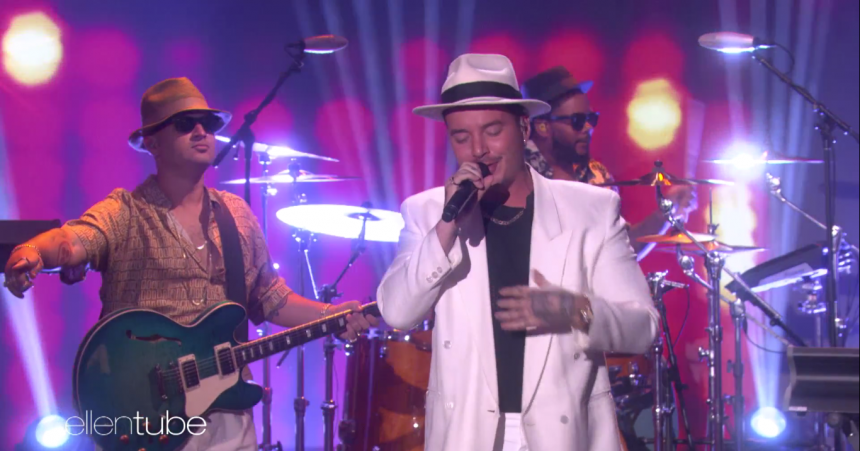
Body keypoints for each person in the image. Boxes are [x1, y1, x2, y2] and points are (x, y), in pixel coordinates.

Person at [2, 77, 377, 451]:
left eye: (208, 123)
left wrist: (331, 314)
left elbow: (269, 297)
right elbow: (69, 241)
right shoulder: (125, 211)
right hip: (148, 415)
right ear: (152, 142)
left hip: (228, 415)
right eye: (185, 124)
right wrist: (32, 252)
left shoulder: (236, 213)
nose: (201, 132)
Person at [376, 54, 659, 451]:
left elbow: (642, 327)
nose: (478, 150)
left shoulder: (591, 210)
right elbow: (397, 312)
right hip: (468, 436)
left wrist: (574, 311)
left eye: (493, 131)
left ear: (523, 128)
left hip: (564, 436)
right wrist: (447, 227)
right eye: (461, 137)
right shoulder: (427, 212)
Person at [521, 66, 698, 260]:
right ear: (542, 127)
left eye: (591, 119)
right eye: (578, 120)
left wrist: (666, 211)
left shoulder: (596, 176)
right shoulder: (516, 177)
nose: (588, 128)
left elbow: (621, 250)